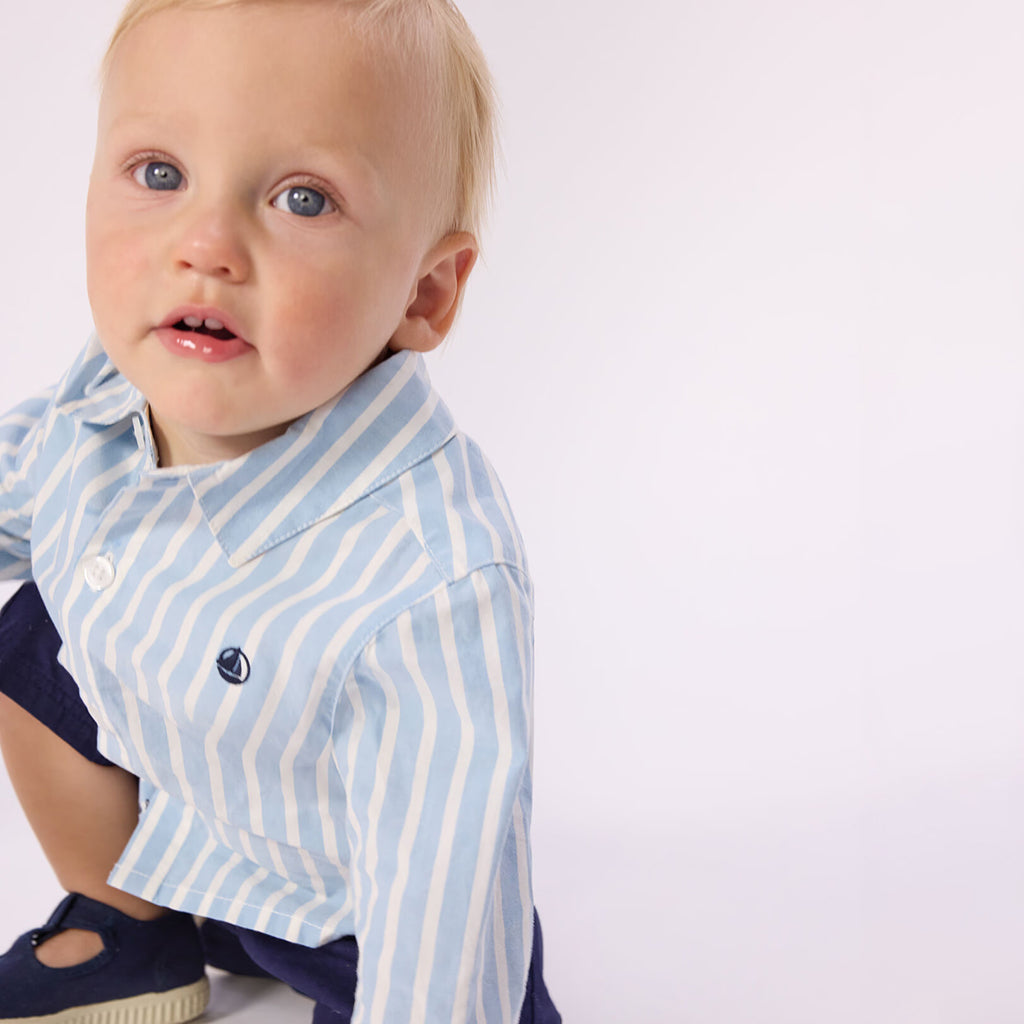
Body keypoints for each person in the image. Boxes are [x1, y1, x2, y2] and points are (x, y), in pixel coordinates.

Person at [0, 1, 560, 1022]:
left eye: (302, 198)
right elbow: (23, 472)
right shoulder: (119, 384)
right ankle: (135, 931)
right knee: (28, 632)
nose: (205, 245)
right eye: (160, 174)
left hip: (356, 912)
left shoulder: (429, 571)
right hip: (182, 822)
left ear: (424, 293)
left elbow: (448, 859)